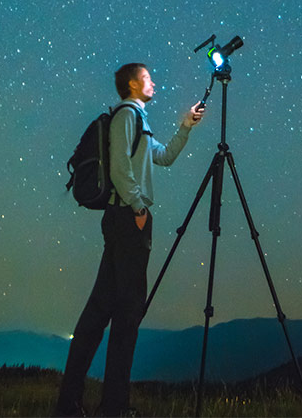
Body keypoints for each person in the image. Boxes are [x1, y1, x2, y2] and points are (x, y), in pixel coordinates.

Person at [56, 63, 204, 417]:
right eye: (149, 78)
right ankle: (113, 408)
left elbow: (163, 158)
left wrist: (185, 127)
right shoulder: (126, 115)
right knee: (127, 313)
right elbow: (120, 166)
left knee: (99, 312)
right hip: (128, 219)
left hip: (125, 219)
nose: (154, 82)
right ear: (133, 84)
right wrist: (138, 208)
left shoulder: (139, 120)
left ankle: (71, 404)